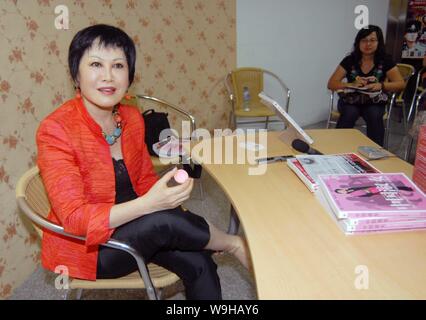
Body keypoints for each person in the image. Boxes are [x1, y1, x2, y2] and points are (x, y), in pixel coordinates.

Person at [36, 24, 249, 300]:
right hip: (93, 248)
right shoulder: (56, 129)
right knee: (164, 222)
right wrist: (151, 205)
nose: (108, 76)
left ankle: (206, 237)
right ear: (76, 73)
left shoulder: (131, 118)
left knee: (199, 261)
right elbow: (76, 220)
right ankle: (233, 243)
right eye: (96, 64)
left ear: (130, 76)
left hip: (143, 224)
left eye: (119, 66)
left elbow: (146, 182)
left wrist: (167, 200)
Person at [328, 25, 405, 146]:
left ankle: (375, 152)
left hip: (374, 101)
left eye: (372, 40)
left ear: (379, 42)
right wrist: (351, 84)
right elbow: (331, 83)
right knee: (349, 113)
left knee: (374, 114)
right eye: (364, 40)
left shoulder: (385, 60)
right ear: (358, 43)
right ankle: (338, 148)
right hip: (351, 100)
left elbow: (400, 84)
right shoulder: (350, 60)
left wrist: (381, 85)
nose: (368, 44)